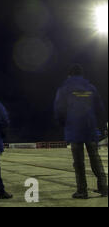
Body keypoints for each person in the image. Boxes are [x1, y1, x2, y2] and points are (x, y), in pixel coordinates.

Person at [54, 64, 108, 199]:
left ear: (69, 75)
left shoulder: (64, 88)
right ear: (82, 75)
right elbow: (100, 108)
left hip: (75, 128)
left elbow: (59, 109)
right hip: (90, 128)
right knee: (95, 159)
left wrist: (64, 124)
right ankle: (104, 187)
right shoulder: (91, 88)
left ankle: (82, 191)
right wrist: (96, 124)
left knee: (78, 162)